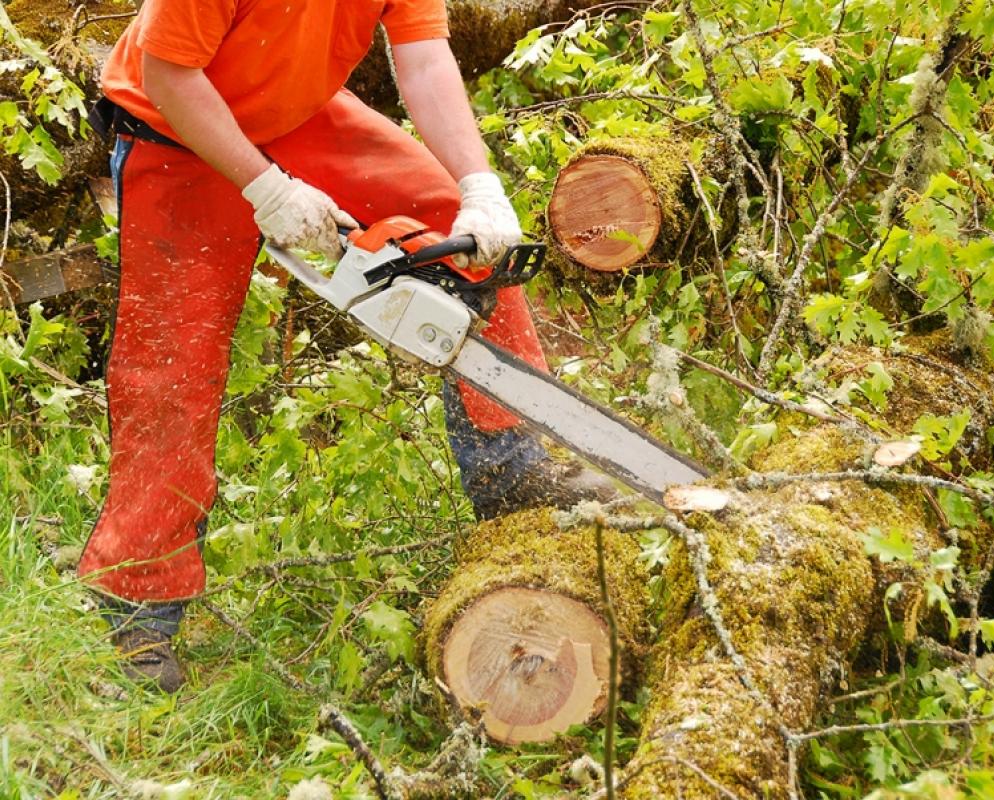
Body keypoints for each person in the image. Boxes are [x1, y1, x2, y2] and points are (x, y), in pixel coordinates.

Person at [77, 0, 615, 693]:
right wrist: (267, 189)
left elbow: (423, 57)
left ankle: (510, 465)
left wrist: (478, 186)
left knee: (462, 232)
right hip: (175, 128)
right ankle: (139, 597)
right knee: (172, 368)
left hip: (298, 113)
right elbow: (170, 74)